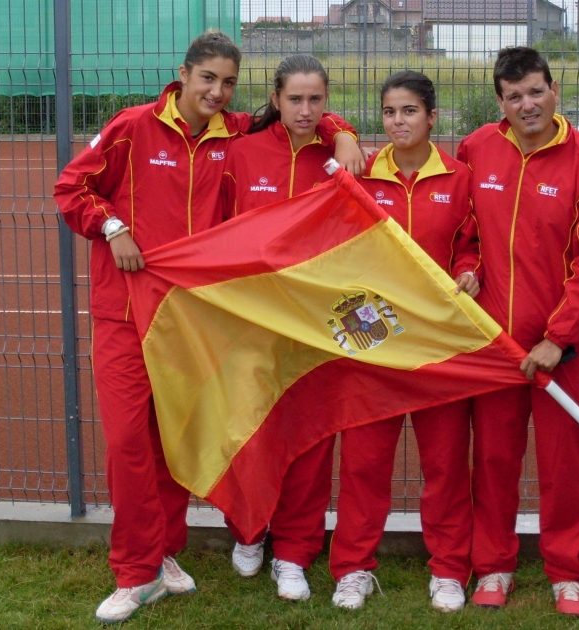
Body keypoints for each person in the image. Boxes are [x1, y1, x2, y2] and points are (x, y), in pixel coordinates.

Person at [54, 32, 363, 624]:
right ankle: (134, 572)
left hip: (194, 320)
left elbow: (303, 115)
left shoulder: (235, 133)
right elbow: (73, 188)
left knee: (174, 442)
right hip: (124, 314)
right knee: (126, 443)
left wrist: (342, 130)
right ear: (183, 75)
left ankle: (166, 554)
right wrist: (112, 226)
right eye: (207, 80)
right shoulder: (133, 126)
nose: (217, 92)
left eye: (227, 83)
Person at [456, 47, 579, 616]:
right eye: (514, 95)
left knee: (566, 464)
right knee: (494, 463)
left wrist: (559, 337)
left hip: (565, 349)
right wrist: (467, 270)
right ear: (500, 101)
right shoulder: (477, 148)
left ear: (555, 90)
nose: (527, 104)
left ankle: (567, 571)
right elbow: (464, 232)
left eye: (536, 91)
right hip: (497, 346)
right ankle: (494, 566)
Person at [326, 70, 480, 612]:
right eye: (390, 112)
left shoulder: (460, 178)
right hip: (376, 346)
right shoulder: (361, 175)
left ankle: (448, 570)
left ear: (431, 117)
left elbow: (470, 243)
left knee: (444, 466)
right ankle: (352, 569)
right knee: (364, 465)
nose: (399, 121)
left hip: (439, 348)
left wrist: (469, 270)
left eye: (410, 111)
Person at [221, 53, 361, 602]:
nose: (306, 110)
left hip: (314, 326)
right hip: (251, 322)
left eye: (316, 100)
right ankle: (250, 532)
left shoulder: (341, 160)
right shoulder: (241, 152)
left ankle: (295, 553)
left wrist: (341, 133)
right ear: (275, 99)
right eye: (295, 99)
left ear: (328, 102)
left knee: (308, 441)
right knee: (250, 432)